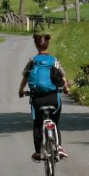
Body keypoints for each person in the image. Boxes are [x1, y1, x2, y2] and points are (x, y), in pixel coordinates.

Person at [17, 32, 69, 161]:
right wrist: (66, 89)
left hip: (37, 99)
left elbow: (25, 77)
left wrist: (21, 90)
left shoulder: (32, 62)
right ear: (48, 45)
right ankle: (59, 147)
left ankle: (39, 152)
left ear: (36, 46)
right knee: (55, 123)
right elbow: (63, 78)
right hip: (53, 98)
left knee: (37, 124)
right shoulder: (54, 61)